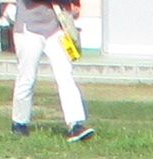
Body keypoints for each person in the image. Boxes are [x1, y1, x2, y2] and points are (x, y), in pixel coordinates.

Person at [9, 0, 92, 142]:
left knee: (65, 76)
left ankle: (75, 124)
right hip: (28, 29)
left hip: (56, 28)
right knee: (27, 77)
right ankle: (19, 123)